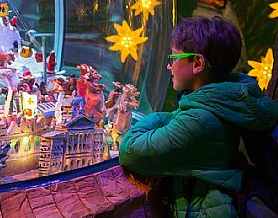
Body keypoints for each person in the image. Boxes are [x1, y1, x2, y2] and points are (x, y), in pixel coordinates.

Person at [119, 16, 278, 218]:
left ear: (197, 63)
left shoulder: (199, 120)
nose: (169, 66)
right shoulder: (226, 99)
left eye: (173, 58)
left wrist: (161, 117)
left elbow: (130, 150)